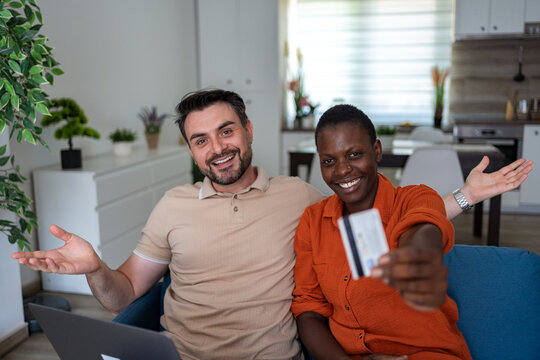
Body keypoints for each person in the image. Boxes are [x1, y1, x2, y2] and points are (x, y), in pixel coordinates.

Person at [12, 90, 532, 360]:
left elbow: (394, 208)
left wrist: (462, 196)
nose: (217, 148)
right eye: (201, 140)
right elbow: (121, 295)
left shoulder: (299, 199)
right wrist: (93, 267)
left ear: (247, 130)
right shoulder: (173, 206)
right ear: (191, 150)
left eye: (226, 131)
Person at [292, 104, 474, 359]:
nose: (342, 170)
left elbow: (421, 230)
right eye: (329, 161)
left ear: (376, 151)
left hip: (424, 352)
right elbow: (308, 310)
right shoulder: (313, 222)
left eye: (354, 154)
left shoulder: (416, 197)